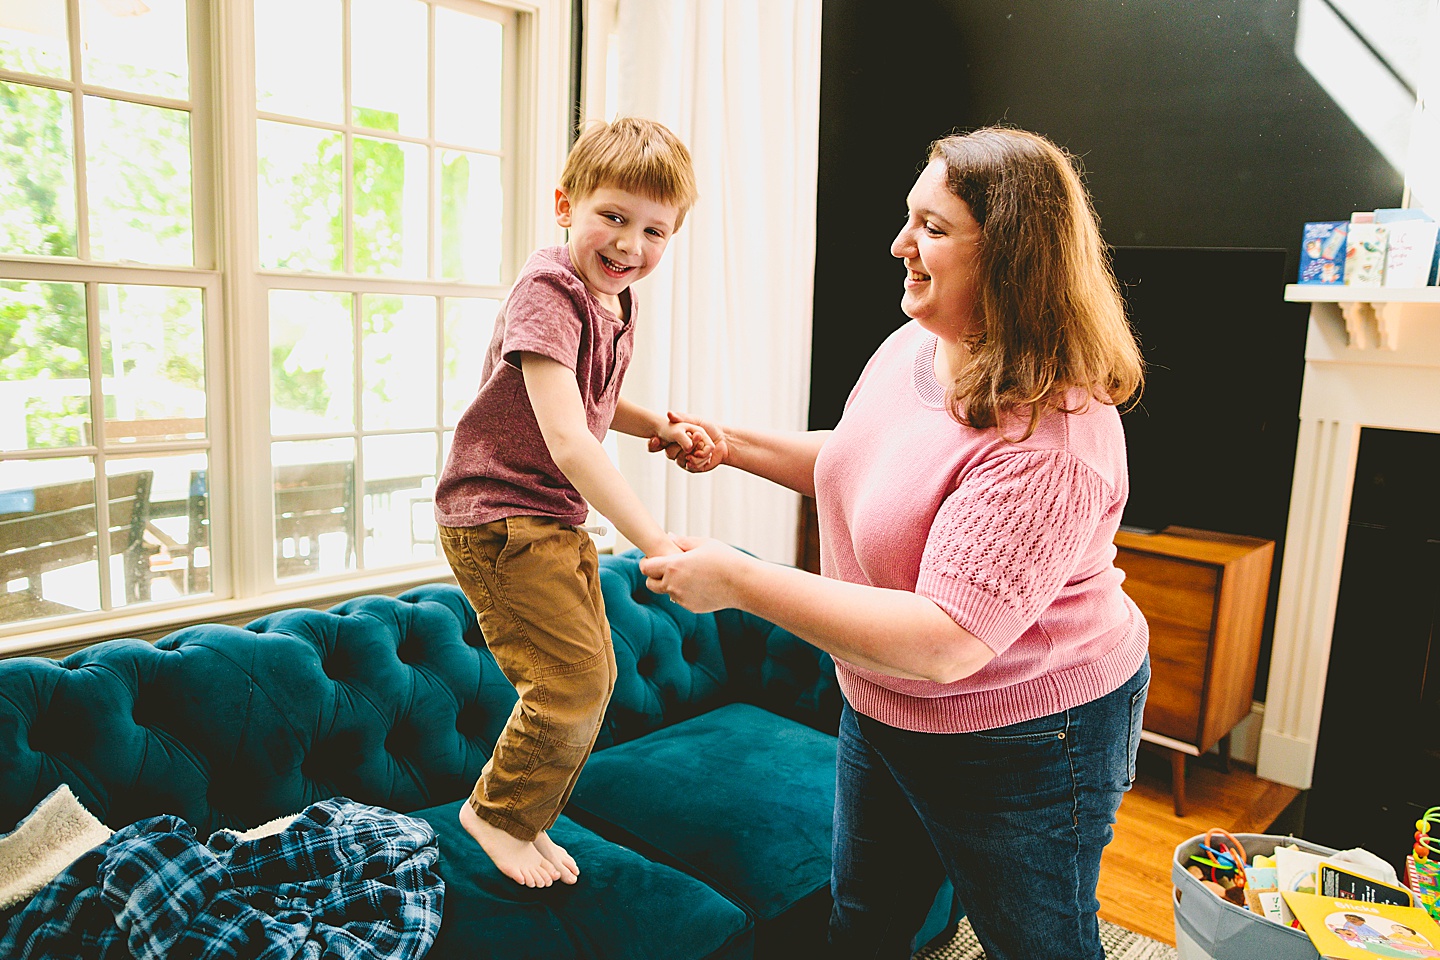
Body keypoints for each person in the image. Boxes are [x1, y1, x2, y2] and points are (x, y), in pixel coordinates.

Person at [639, 126, 1150, 959]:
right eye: (909, 218)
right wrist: (729, 442)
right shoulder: (922, 342)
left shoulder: (1054, 441)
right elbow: (859, 465)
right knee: (865, 923)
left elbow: (946, 642)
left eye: (934, 227)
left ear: (1013, 257)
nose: (899, 245)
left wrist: (739, 581)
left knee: (1038, 943)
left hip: (1028, 731)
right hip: (884, 706)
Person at [434, 117, 713, 889]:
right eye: (614, 217)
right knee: (569, 682)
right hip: (500, 513)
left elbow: (594, 396)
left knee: (593, 675)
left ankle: (523, 816)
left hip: (547, 515)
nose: (630, 244)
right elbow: (570, 439)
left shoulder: (612, 300)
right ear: (566, 205)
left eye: (655, 230)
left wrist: (659, 424)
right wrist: (655, 539)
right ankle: (494, 814)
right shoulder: (550, 289)